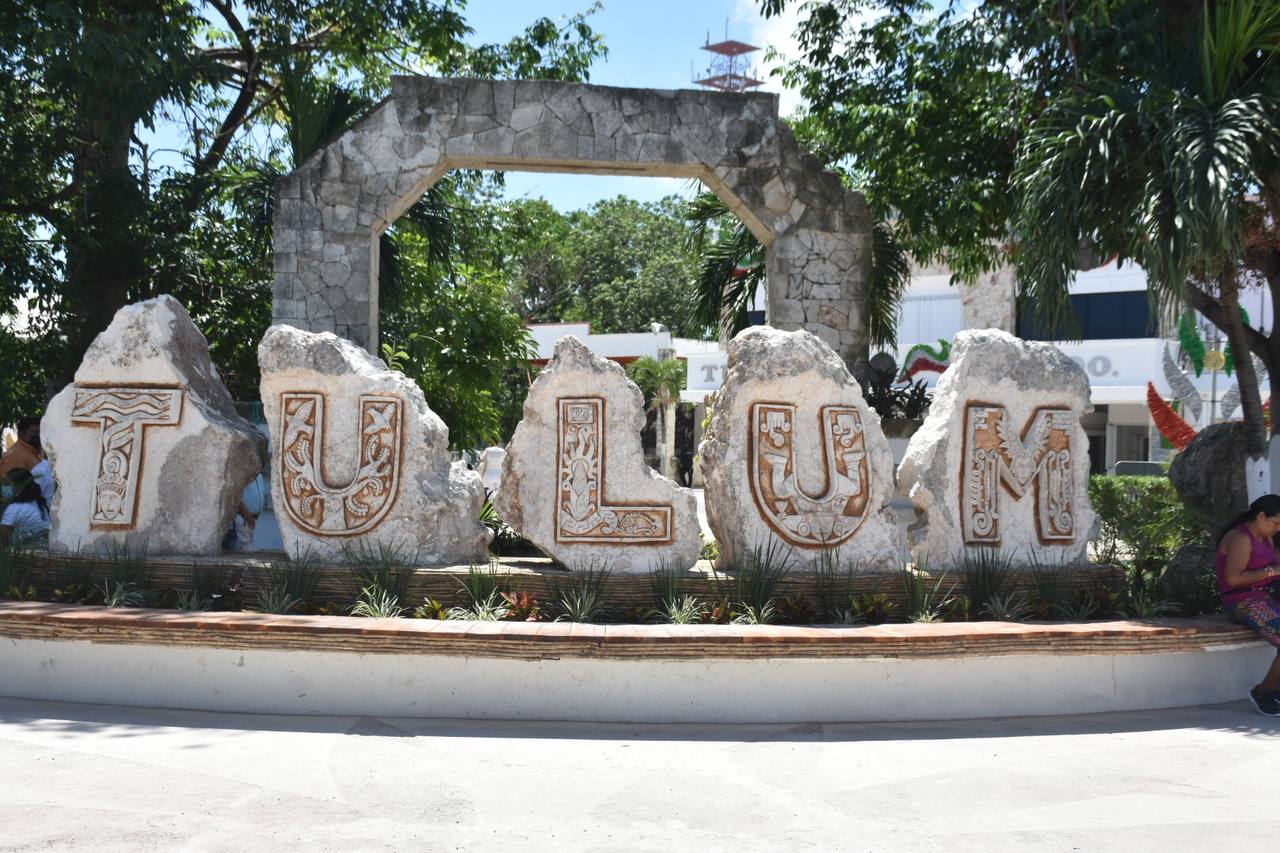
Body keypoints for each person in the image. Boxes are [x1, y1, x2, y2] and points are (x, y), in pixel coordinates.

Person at [1217, 493, 1280, 716]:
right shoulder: (1240, 538)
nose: (1278, 528)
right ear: (1262, 516)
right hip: (1243, 602)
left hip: (1266, 596)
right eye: (1276, 523)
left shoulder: (1265, 537)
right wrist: (1273, 571)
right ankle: (1265, 692)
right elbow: (1234, 579)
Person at [0, 468, 51, 546]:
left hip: (24, 553)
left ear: (20, 486)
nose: (4, 488)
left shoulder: (15, 508)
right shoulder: (39, 503)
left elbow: (3, 542)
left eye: (8, 484)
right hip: (40, 549)